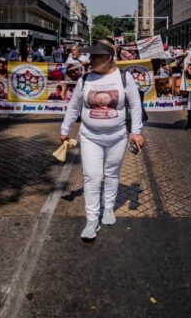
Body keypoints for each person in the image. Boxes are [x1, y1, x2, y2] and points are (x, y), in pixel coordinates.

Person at [60, 40, 144, 241]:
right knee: (92, 176)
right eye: (91, 56)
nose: (92, 60)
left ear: (109, 58)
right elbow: (73, 107)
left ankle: (108, 208)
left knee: (112, 173)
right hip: (90, 137)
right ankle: (91, 219)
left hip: (118, 137)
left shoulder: (124, 78)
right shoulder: (85, 80)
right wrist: (65, 129)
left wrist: (136, 131)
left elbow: (135, 105)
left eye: (97, 57)